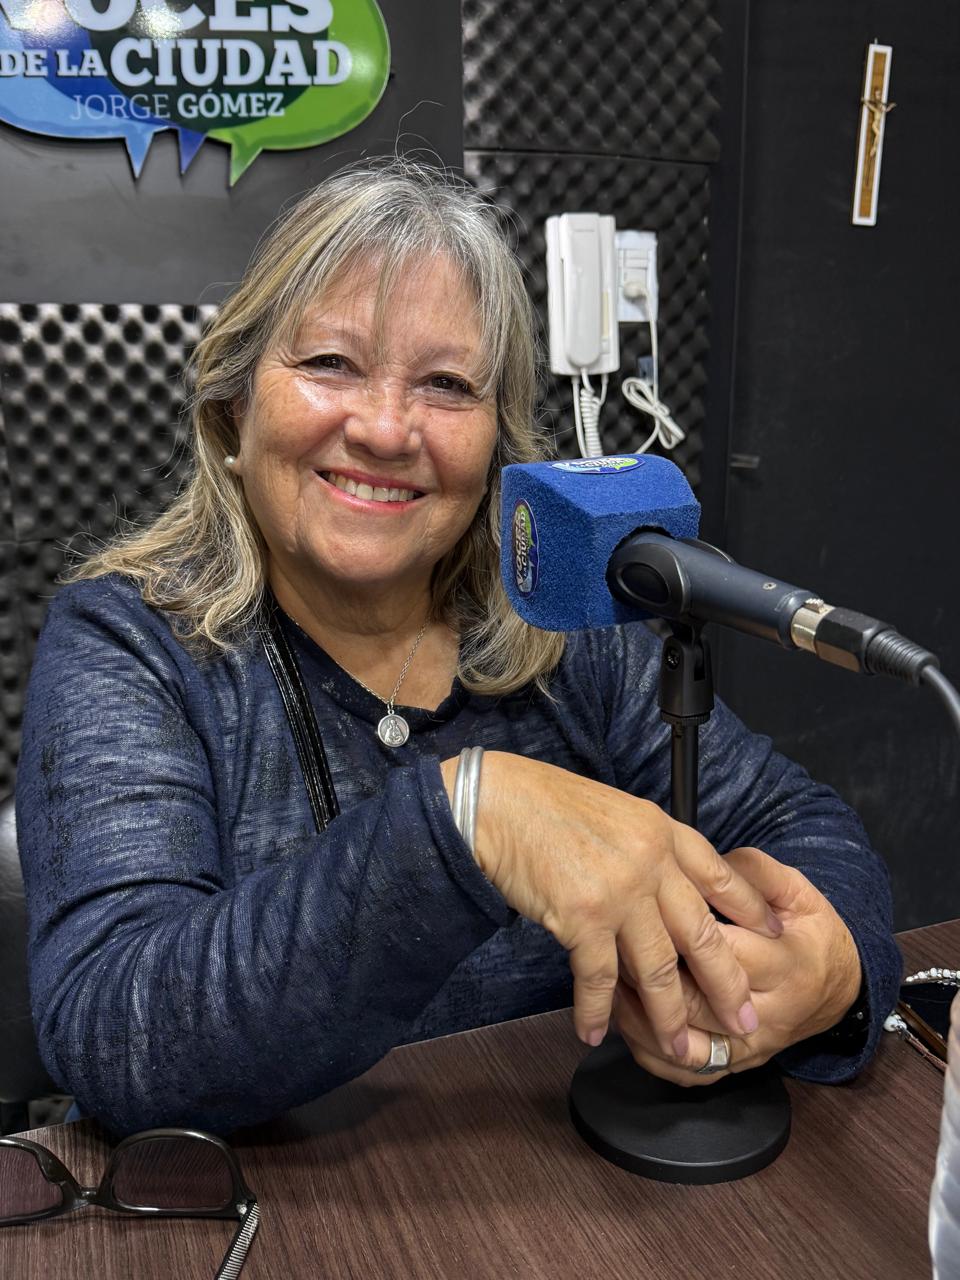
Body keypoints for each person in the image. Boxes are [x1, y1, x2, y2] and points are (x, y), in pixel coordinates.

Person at [16, 160, 900, 1136]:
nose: (386, 428)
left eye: (445, 384)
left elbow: (792, 821)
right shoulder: (128, 644)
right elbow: (117, 1033)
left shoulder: (566, 635)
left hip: (555, 1184)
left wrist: (833, 968)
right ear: (235, 408)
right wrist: (467, 819)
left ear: (495, 446)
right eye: (330, 363)